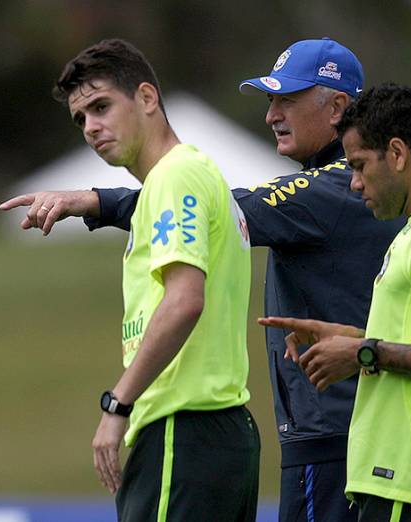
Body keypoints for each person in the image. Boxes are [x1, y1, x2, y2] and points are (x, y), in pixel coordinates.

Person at [1, 38, 403, 522]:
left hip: (329, 432)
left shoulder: (333, 188)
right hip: (326, 430)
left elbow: (219, 211)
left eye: (287, 100)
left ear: (338, 106)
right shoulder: (348, 186)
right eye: (270, 101)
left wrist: (97, 201)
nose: (272, 115)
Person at [39, 38, 259, 521]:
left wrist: (117, 405)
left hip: (184, 429)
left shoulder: (174, 176)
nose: (91, 128)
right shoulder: (195, 175)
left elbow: (185, 302)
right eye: (81, 119)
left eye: (100, 107)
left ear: (146, 97)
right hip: (219, 433)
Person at [260, 83, 411, 521]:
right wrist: (350, 340)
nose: (354, 183)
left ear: (397, 154)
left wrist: (364, 351)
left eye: (358, 166)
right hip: (398, 486)